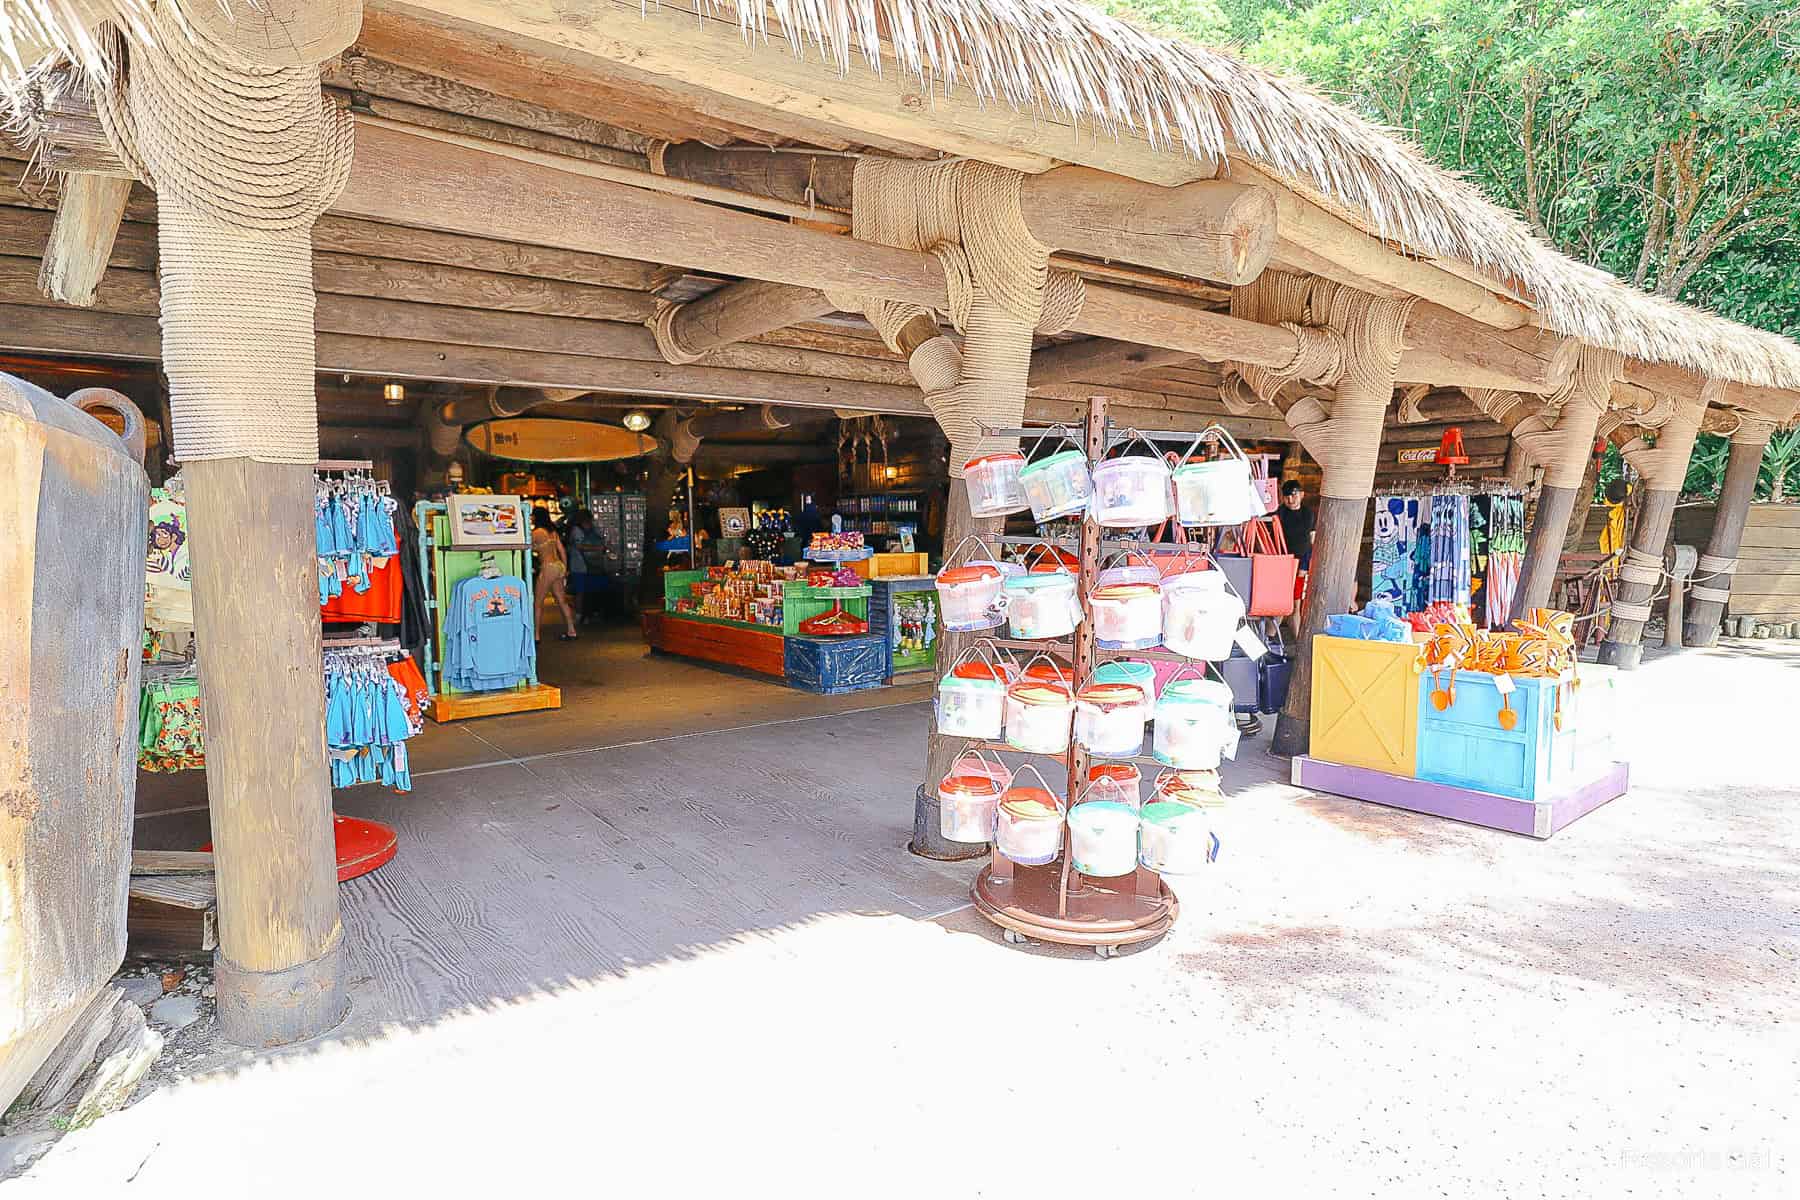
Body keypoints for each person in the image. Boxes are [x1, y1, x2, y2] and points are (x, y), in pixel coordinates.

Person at [531, 507, 579, 641]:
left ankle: (536, 636)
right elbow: (562, 550)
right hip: (558, 566)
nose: (531, 518)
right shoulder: (553, 532)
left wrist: (536, 548)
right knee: (561, 601)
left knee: (538, 602)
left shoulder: (536, 532)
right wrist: (565, 568)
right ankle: (571, 631)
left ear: (537, 517)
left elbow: (526, 547)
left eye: (533, 516)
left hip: (547, 567)